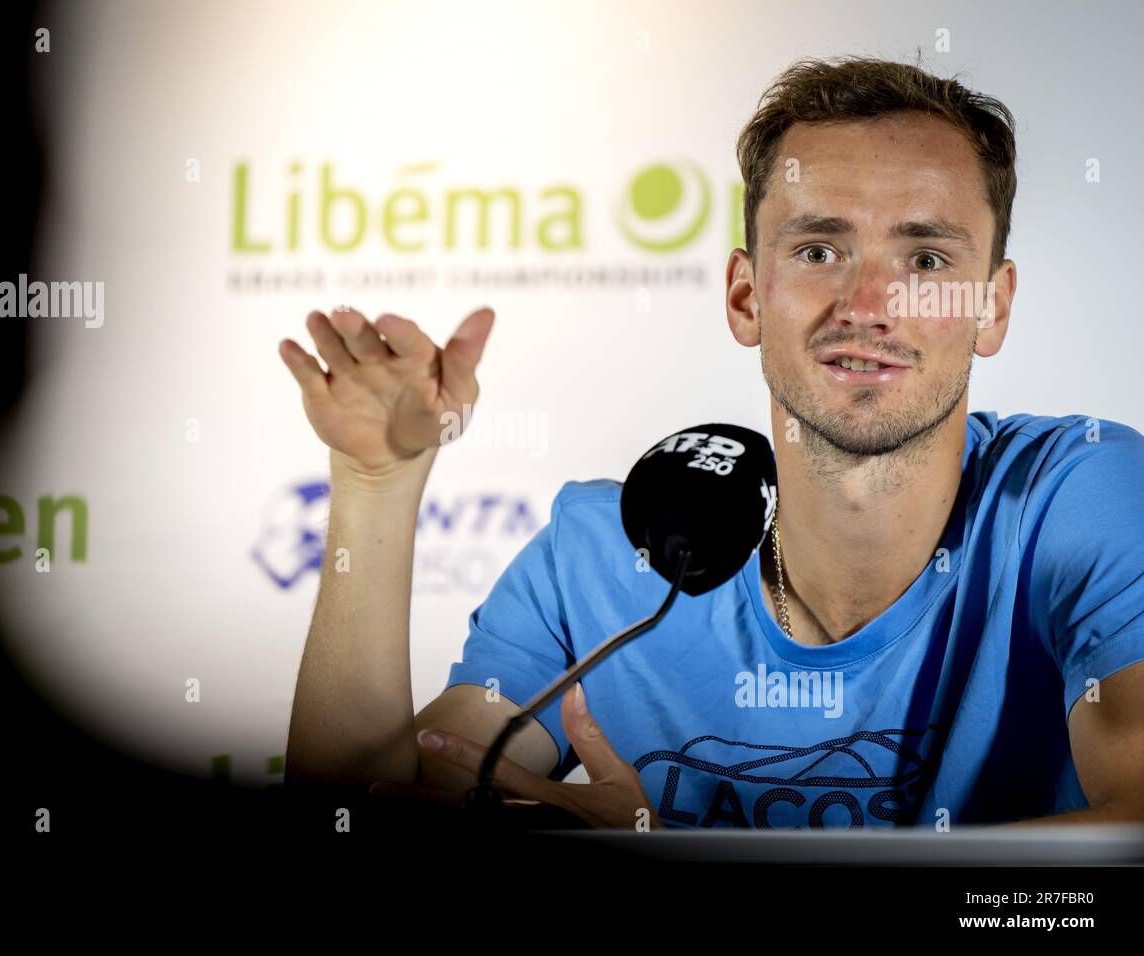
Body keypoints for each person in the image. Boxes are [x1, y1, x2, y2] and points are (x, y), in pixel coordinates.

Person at [278, 56, 1144, 829]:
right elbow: (361, 817)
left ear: (991, 307)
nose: (867, 306)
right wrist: (375, 481)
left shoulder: (1079, 499)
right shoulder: (607, 552)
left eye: (925, 262)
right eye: (818, 251)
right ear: (745, 297)